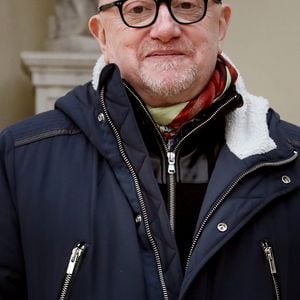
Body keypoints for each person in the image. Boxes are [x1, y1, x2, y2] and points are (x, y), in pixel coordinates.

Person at [0, 0, 299, 299]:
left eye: (186, 5)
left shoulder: (292, 162)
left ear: (220, 25)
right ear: (102, 35)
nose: (166, 29)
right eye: (138, 9)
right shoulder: (18, 160)